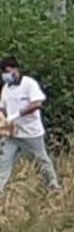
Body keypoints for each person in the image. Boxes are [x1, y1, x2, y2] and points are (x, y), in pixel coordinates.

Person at [0, 56, 61, 194]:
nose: (6, 75)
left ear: (16, 69)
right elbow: (2, 108)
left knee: (41, 159)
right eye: (4, 72)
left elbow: (37, 104)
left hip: (31, 132)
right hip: (13, 133)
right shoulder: (6, 88)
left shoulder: (29, 84)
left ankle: (54, 187)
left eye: (8, 71)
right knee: (3, 160)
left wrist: (18, 114)